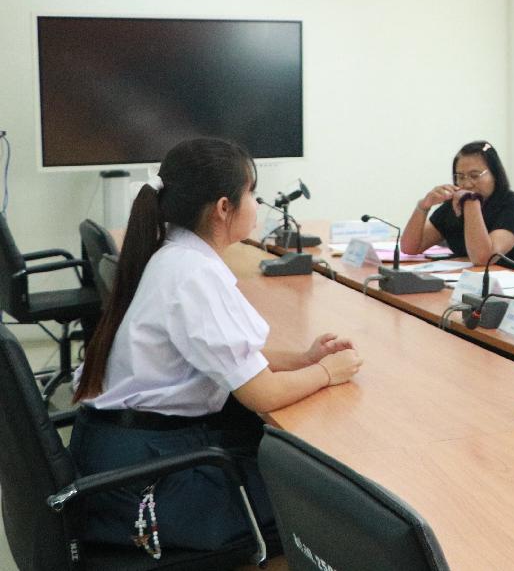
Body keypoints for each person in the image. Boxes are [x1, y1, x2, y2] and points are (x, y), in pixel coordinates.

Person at [69, 137, 363, 554]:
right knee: (321, 509)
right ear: (224, 207)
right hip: (141, 485)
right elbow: (262, 394)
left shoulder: (176, 254)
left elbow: (227, 357)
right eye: (252, 194)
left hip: (126, 454)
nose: (257, 205)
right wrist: (327, 373)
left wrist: (303, 359)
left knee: (291, 470)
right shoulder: (192, 274)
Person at [401, 140, 514, 268]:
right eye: (460, 177)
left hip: (508, 280)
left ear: (495, 175)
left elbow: (483, 259)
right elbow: (410, 248)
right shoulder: (452, 205)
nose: (467, 184)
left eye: (474, 176)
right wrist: (423, 206)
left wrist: (471, 202)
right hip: (465, 278)